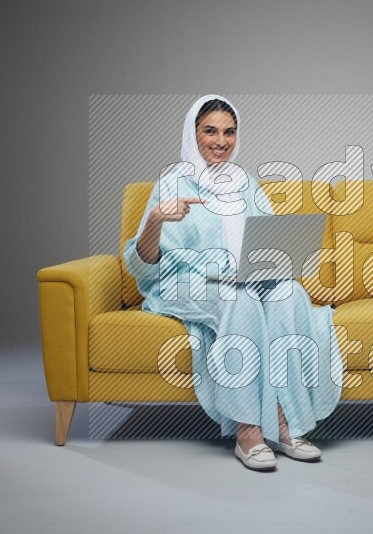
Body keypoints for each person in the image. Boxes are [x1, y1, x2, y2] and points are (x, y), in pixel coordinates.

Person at [123, 95, 343, 471]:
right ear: (194, 135)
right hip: (186, 281)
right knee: (238, 303)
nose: (221, 141)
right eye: (210, 131)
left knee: (290, 294)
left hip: (242, 278)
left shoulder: (246, 184)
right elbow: (140, 265)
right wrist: (157, 220)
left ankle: (288, 424)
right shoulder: (172, 183)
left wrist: (273, 263)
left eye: (229, 132)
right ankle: (249, 430)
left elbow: (269, 240)